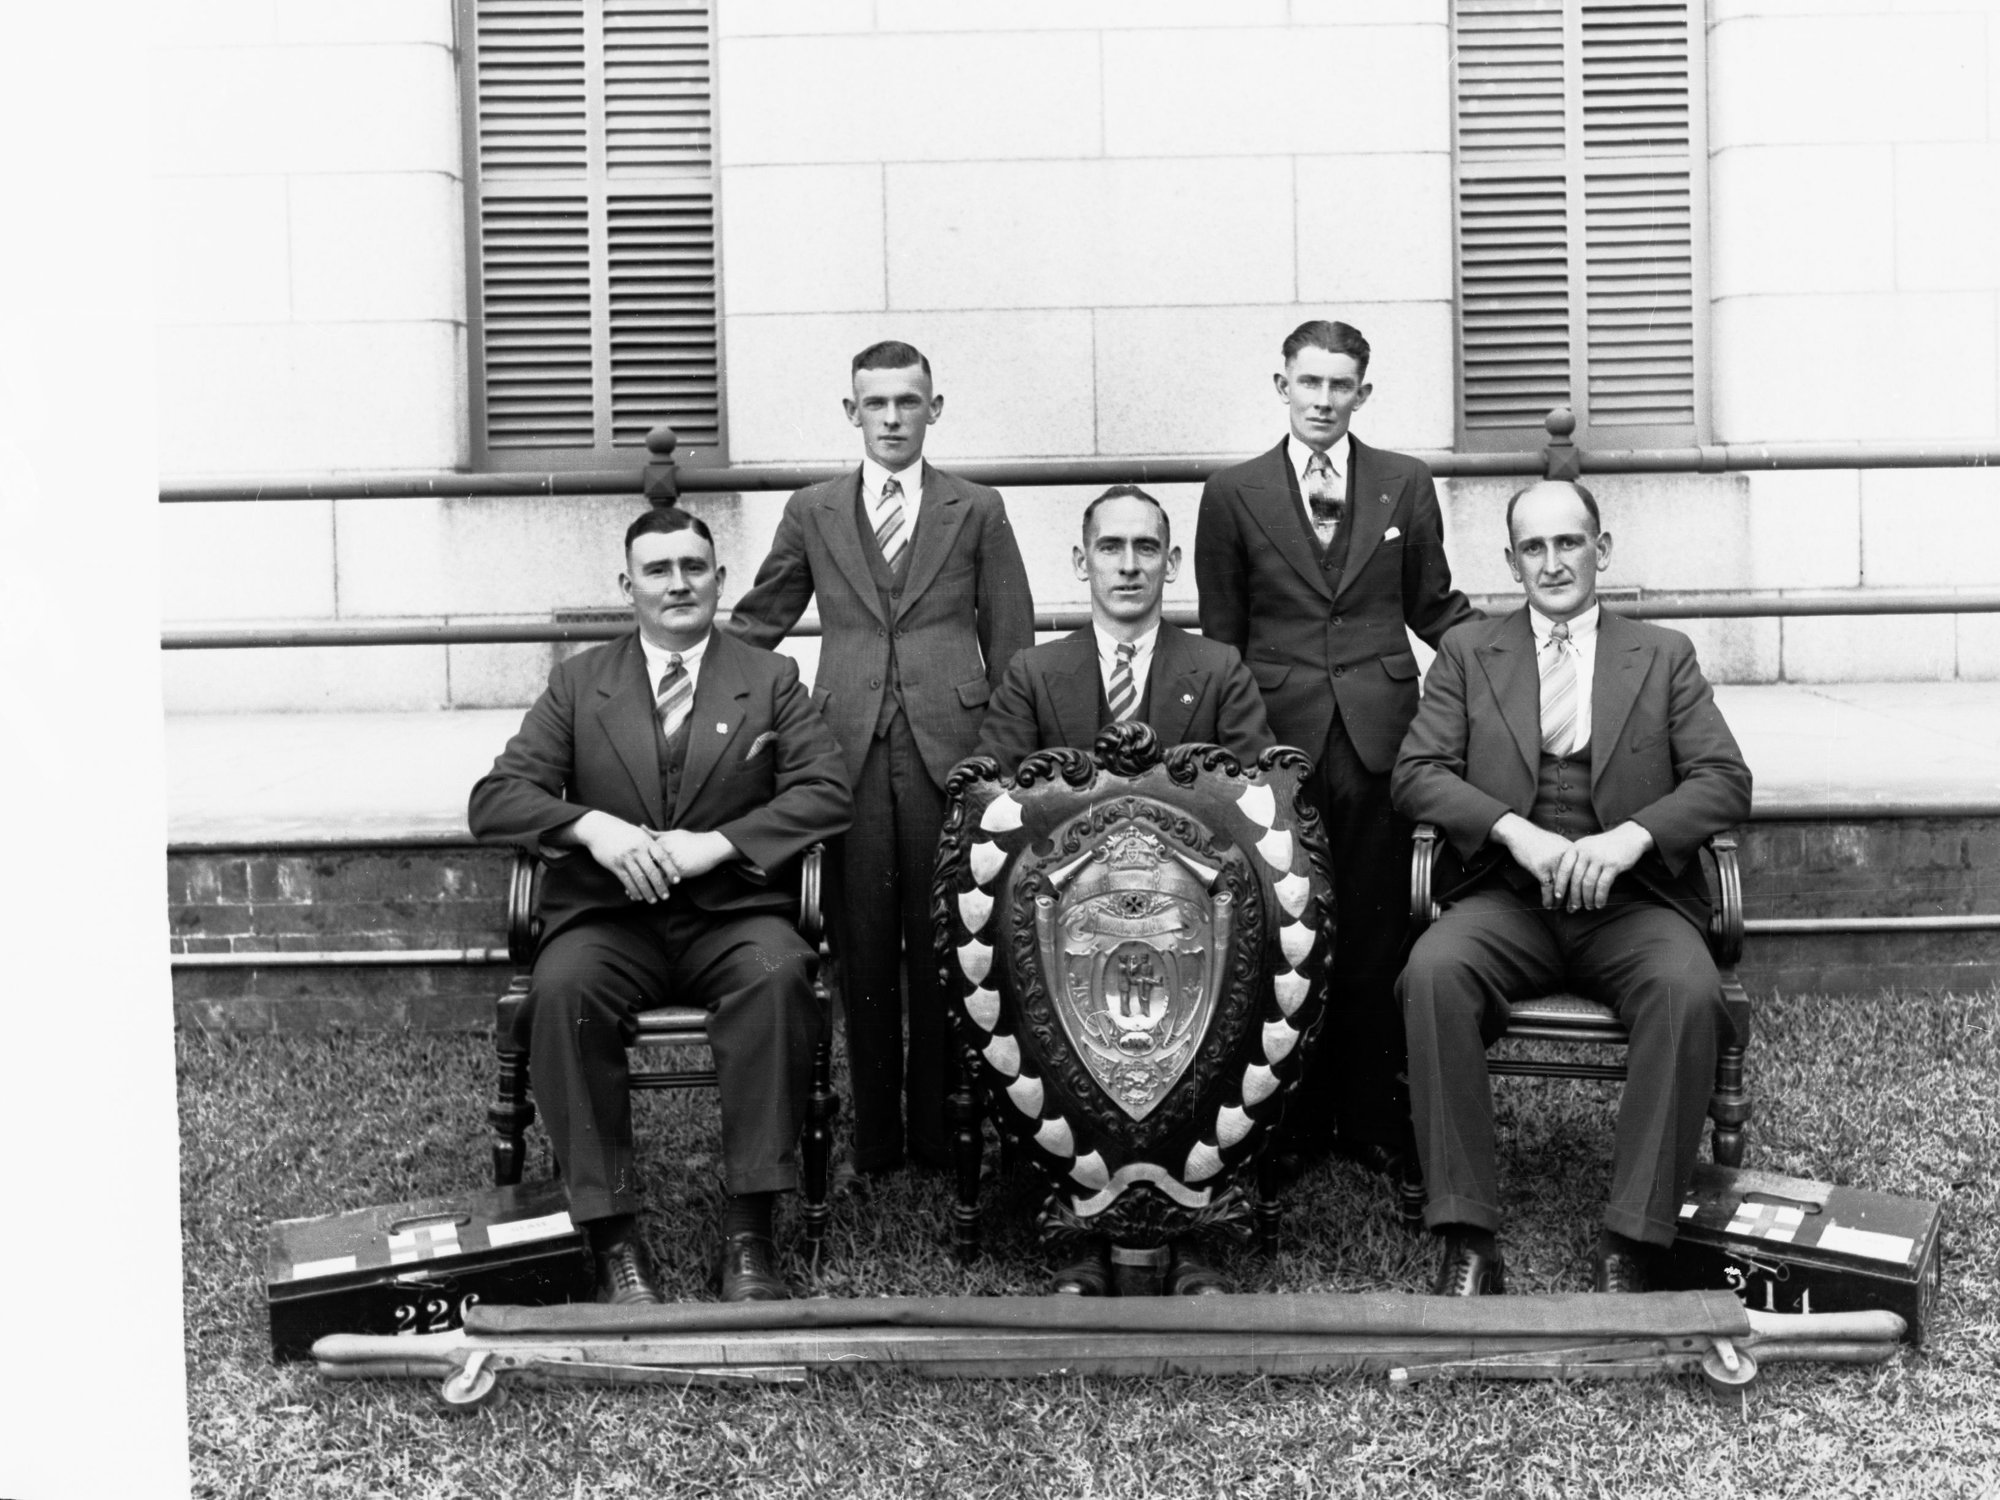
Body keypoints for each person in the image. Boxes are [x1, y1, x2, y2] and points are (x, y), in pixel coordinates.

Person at [469, 508, 853, 1304]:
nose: (677, 583)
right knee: (563, 989)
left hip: (732, 916)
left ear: (719, 578)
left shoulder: (769, 679)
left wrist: (719, 844)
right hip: (611, 921)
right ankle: (613, 1242)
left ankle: (749, 1235)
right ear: (627, 585)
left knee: (780, 974)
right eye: (657, 569)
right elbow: (497, 798)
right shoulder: (580, 683)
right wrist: (592, 826)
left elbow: (826, 793)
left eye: (693, 566)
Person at [1391, 480, 1753, 1296]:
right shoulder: (1468, 652)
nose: (1552, 563)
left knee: (1687, 991)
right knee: (1433, 974)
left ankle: (1634, 1237)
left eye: (1569, 543)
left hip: (1632, 905)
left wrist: (1631, 837)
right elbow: (1416, 774)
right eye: (1533, 548)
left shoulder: (1662, 655)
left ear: (1602, 549)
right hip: (1506, 899)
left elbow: (1726, 779)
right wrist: (1513, 829)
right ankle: (1467, 1234)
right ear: (1511, 562)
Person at [729, 341, 1035, 1180]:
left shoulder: (976, 508)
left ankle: (939, 1131)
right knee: (862, 942)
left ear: (935, 409)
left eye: (909, 402)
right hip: (850, 746)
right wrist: (713, 701)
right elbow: (761, 623)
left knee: (945, 939)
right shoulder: (815, 511)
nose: (893, 418)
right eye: (877, 404)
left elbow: (1010, 643)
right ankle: (876, 1141)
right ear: (851, 412)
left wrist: (1005, 760)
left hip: (953, 752)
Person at [972, 485, 1275, 1298]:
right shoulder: (1037, 674)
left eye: (1147, 549)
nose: (1130, 565)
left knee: (1210, 1041)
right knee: (1053, 1039)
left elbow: (1259, 799)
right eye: (1112, 548)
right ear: (1083, 561)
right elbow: (993, 800)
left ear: (1172, 564)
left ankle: (1194, 1241)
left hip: (1194, 941)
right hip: (1064, 938)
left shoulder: (1217, 670)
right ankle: (1080, 1236)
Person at [1194, 319, 1479, 1173]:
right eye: (1308, 383)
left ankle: (1370, 1111)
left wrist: (1519, 660)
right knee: (1286, 928)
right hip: (1275, 741)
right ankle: (1288, 1119)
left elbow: (1435, 606)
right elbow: (1223, 638)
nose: (1323, 401)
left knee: (1374, 929)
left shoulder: (1404, 482)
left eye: (1339, 385)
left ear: (1364, 391)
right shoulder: (1233, 492)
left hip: (1382, 739)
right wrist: (1233, 757)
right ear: (1281, 385)